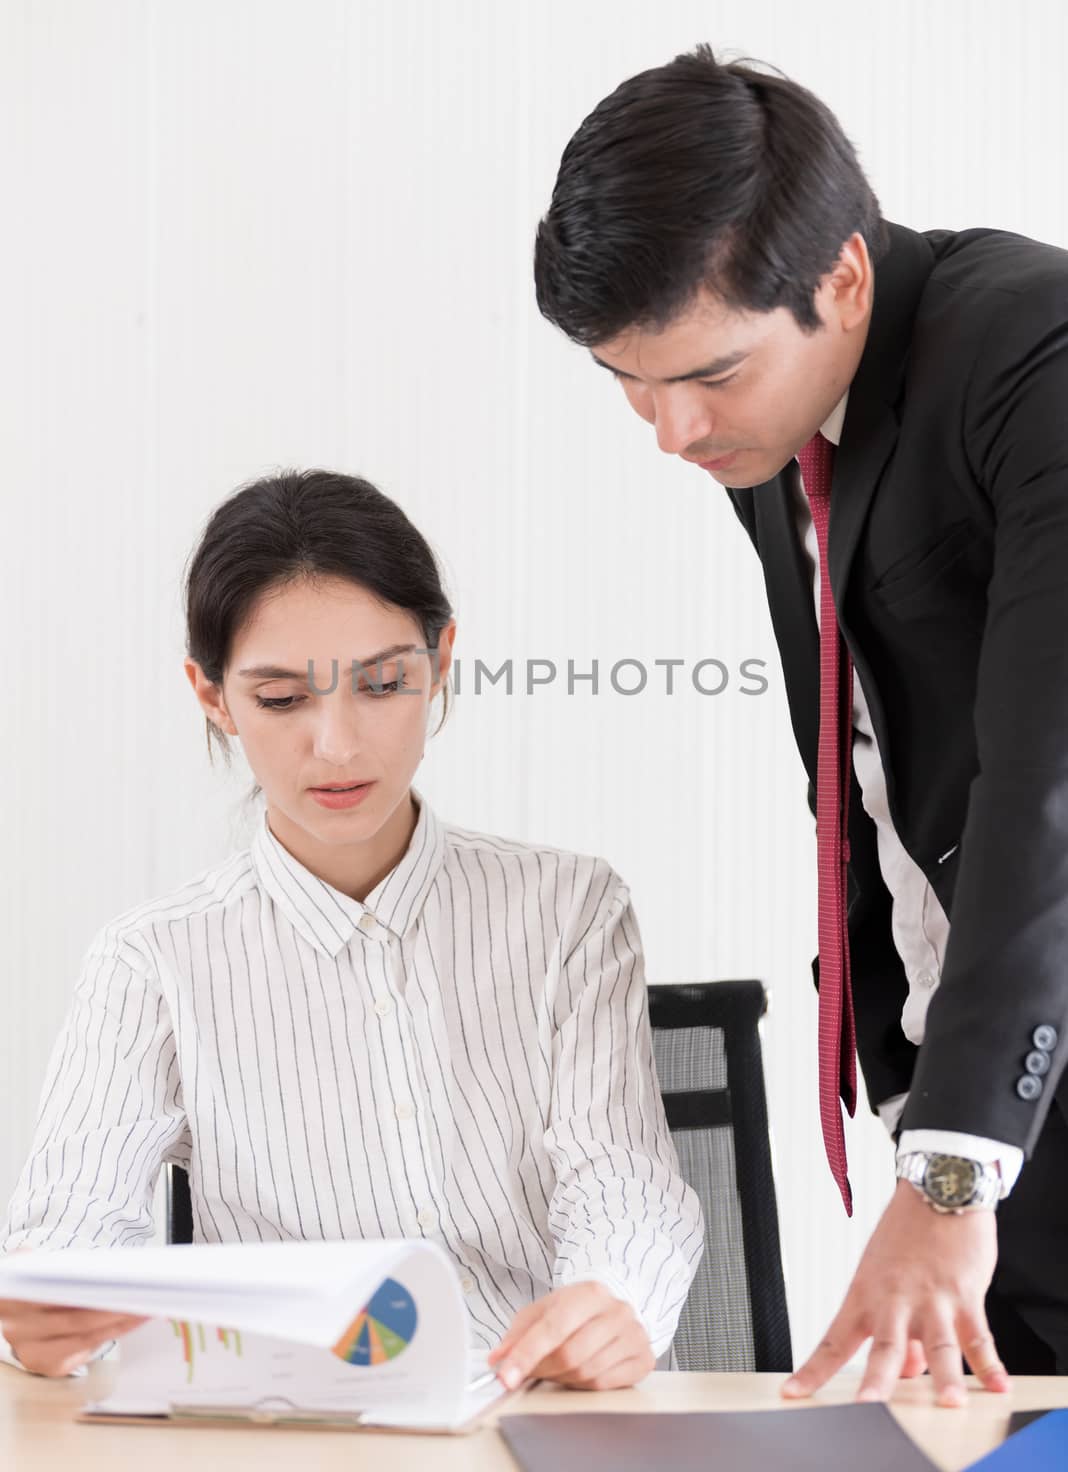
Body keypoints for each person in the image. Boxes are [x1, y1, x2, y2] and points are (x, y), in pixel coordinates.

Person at [532, 44, 1068, 1403]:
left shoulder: (1036, 357)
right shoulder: (767, 430)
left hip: (1004, 1099)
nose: (670, 430)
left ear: (841, 276)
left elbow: (1044, 784)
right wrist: (917, 1109)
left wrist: (950, 1166)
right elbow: (861, 769)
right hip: (994, 1124)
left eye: (703, 374)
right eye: (626, 384)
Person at [0, 468, 702, 1387]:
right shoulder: (154, 960)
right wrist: (53, 1315)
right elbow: (69, 1237)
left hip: (538, 1406)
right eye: (281, 699)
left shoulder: (567, 909)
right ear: (212, 697)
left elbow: (622, 1181)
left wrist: (614, 1300)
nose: (335, 745)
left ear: (441, 662)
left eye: (381, 684)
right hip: (290, 1423)